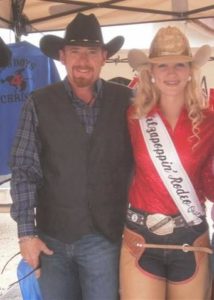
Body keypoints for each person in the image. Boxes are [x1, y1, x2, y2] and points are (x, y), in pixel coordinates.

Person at [10, 13, 133, 300]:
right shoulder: (37, 103)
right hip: (52, 239)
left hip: (106, 239)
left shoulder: (128, 101)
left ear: (104, 57)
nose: (83, 60)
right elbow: (24, 169)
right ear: (62, 56)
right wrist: (27, 235)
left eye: (91, 52)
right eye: (75, 51)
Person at [119, 26, 214, 300]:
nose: (171, 73)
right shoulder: (133, 117)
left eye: (179, 65)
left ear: (190, 70)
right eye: (162, 66)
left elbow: (209, 186)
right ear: (151, 71)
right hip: (141, 237)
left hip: (190, 236)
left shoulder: (209, 120)